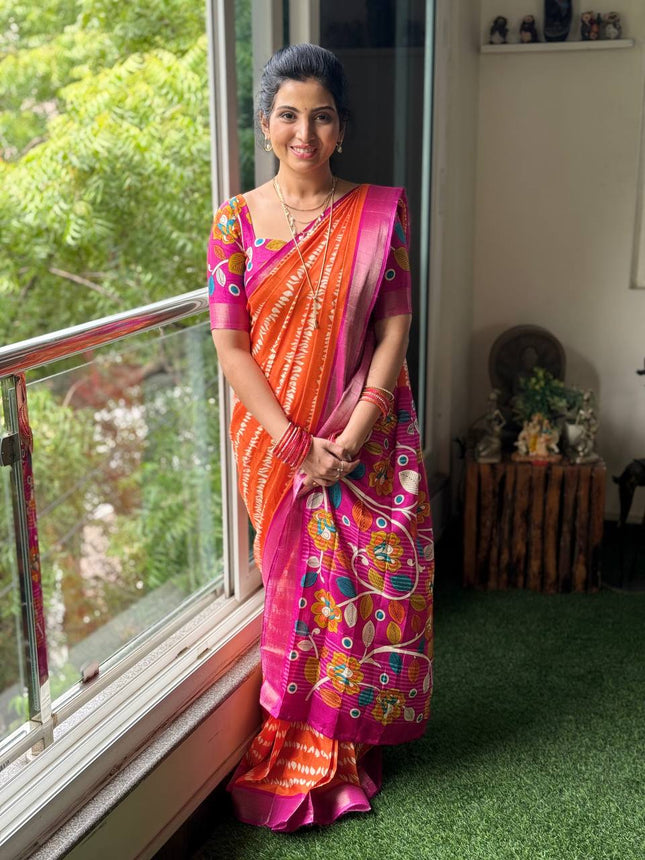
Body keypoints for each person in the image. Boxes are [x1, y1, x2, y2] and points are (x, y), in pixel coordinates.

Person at [208, 43, 434, 832]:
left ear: (341, 128)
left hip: (359, 433)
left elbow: (395, 326)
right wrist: (295, 445)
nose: (304, 131)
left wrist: (356, 429)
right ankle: (295, 739)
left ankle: (340, 744)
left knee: (351, 601)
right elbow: (230, 347)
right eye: (288, 115)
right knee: (296, 593)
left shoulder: (380, 213)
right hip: (275, 442)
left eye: (322, 116)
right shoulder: (233, 223)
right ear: (265, 125)